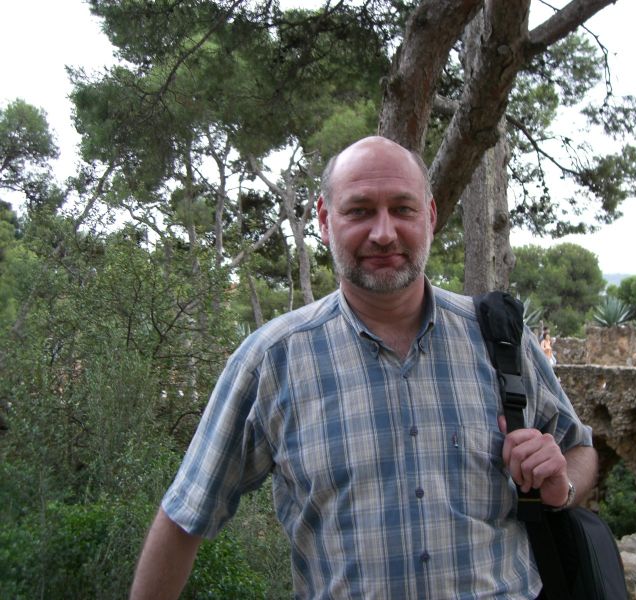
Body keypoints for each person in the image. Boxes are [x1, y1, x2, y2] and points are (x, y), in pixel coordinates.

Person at [129, 136, 598, 599]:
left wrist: (561, 485)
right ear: (324, 220)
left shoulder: (500, 339)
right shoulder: (272, 361)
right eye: (359, 211)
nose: (384, 233)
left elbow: (580, 448)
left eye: (403, 209)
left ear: (430, 216)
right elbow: (184, 516)